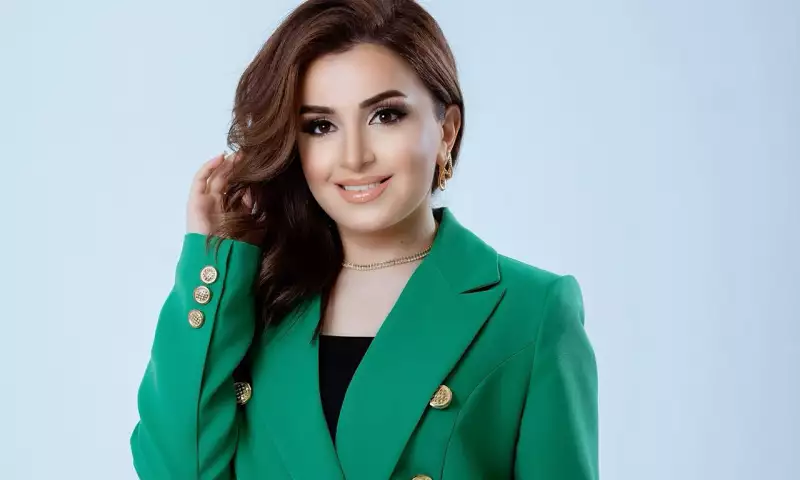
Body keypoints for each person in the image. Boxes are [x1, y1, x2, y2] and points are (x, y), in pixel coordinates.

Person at [129, 0, 598, 478]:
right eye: (321, 126)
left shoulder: (532, 310)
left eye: (386, 116)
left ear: (446, 131)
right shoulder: (257, 300)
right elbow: (172, 470)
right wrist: (214, 258)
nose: (354, 157)